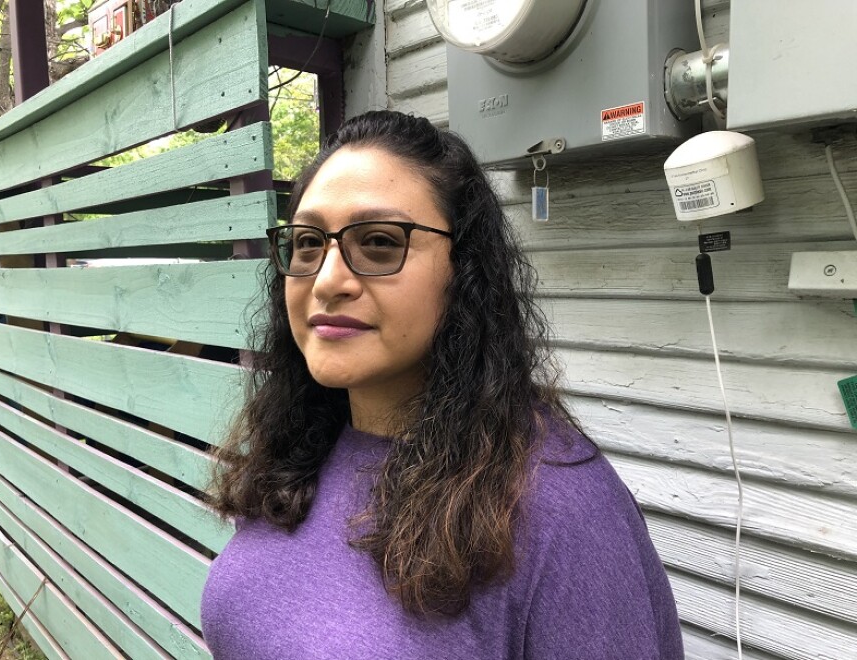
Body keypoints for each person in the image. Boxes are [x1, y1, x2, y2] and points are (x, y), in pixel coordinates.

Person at [200, 110, 683, 659]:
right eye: (309, 243)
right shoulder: (300, 446)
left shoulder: (555, 509)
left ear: (465, 272)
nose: (328, 280)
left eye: (379, 242)